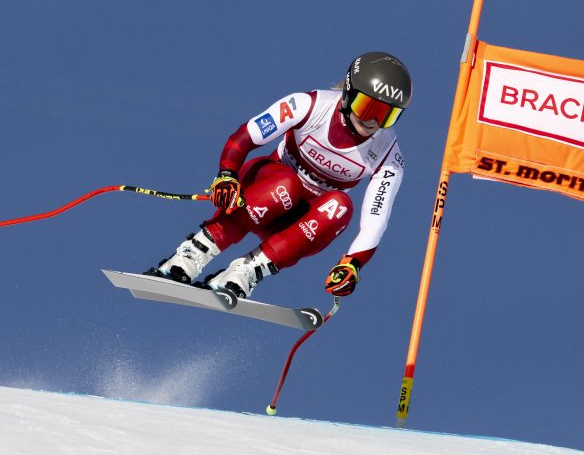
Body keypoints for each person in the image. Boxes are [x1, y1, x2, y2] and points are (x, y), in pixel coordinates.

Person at [145, 51, 410, 301]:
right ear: (348, 94)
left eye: (387, 115)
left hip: (298, 226)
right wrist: (227, 175)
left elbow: (375, 221)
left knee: (340, 207)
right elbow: (246, 137)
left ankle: (246, 271)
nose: (373, 122)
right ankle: (192, 254)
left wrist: (352, 264)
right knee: (287, 186)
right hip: (263, 191)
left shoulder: (388, 155)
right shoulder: (310, 105)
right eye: (367, 107)